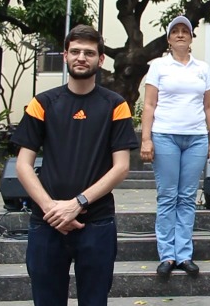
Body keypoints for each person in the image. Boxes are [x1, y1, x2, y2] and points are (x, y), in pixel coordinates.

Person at [11, 24, 138, 305]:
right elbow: (22, 164)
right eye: (76, 51)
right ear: (65, 54)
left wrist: (77, 204)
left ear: (100, 59)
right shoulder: (41, 103)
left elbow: (121, 167)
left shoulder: (115, 105)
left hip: (96, 222)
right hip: (47, 222)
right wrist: (50, 208)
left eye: (90, 53)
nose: (82, 57)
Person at [140, 15, 210, 278]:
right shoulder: (159, 67)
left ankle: (184, 254)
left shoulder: (202, 68)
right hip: (165, 137)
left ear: (191, 38)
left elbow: (209, 105)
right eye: (175, 31)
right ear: (169, 38)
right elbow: (149, 104)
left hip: (196, 138)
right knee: (167, 196)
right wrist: (146, 138)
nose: (181, 34)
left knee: (187, 198)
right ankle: (167, 255)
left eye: (186, 30)